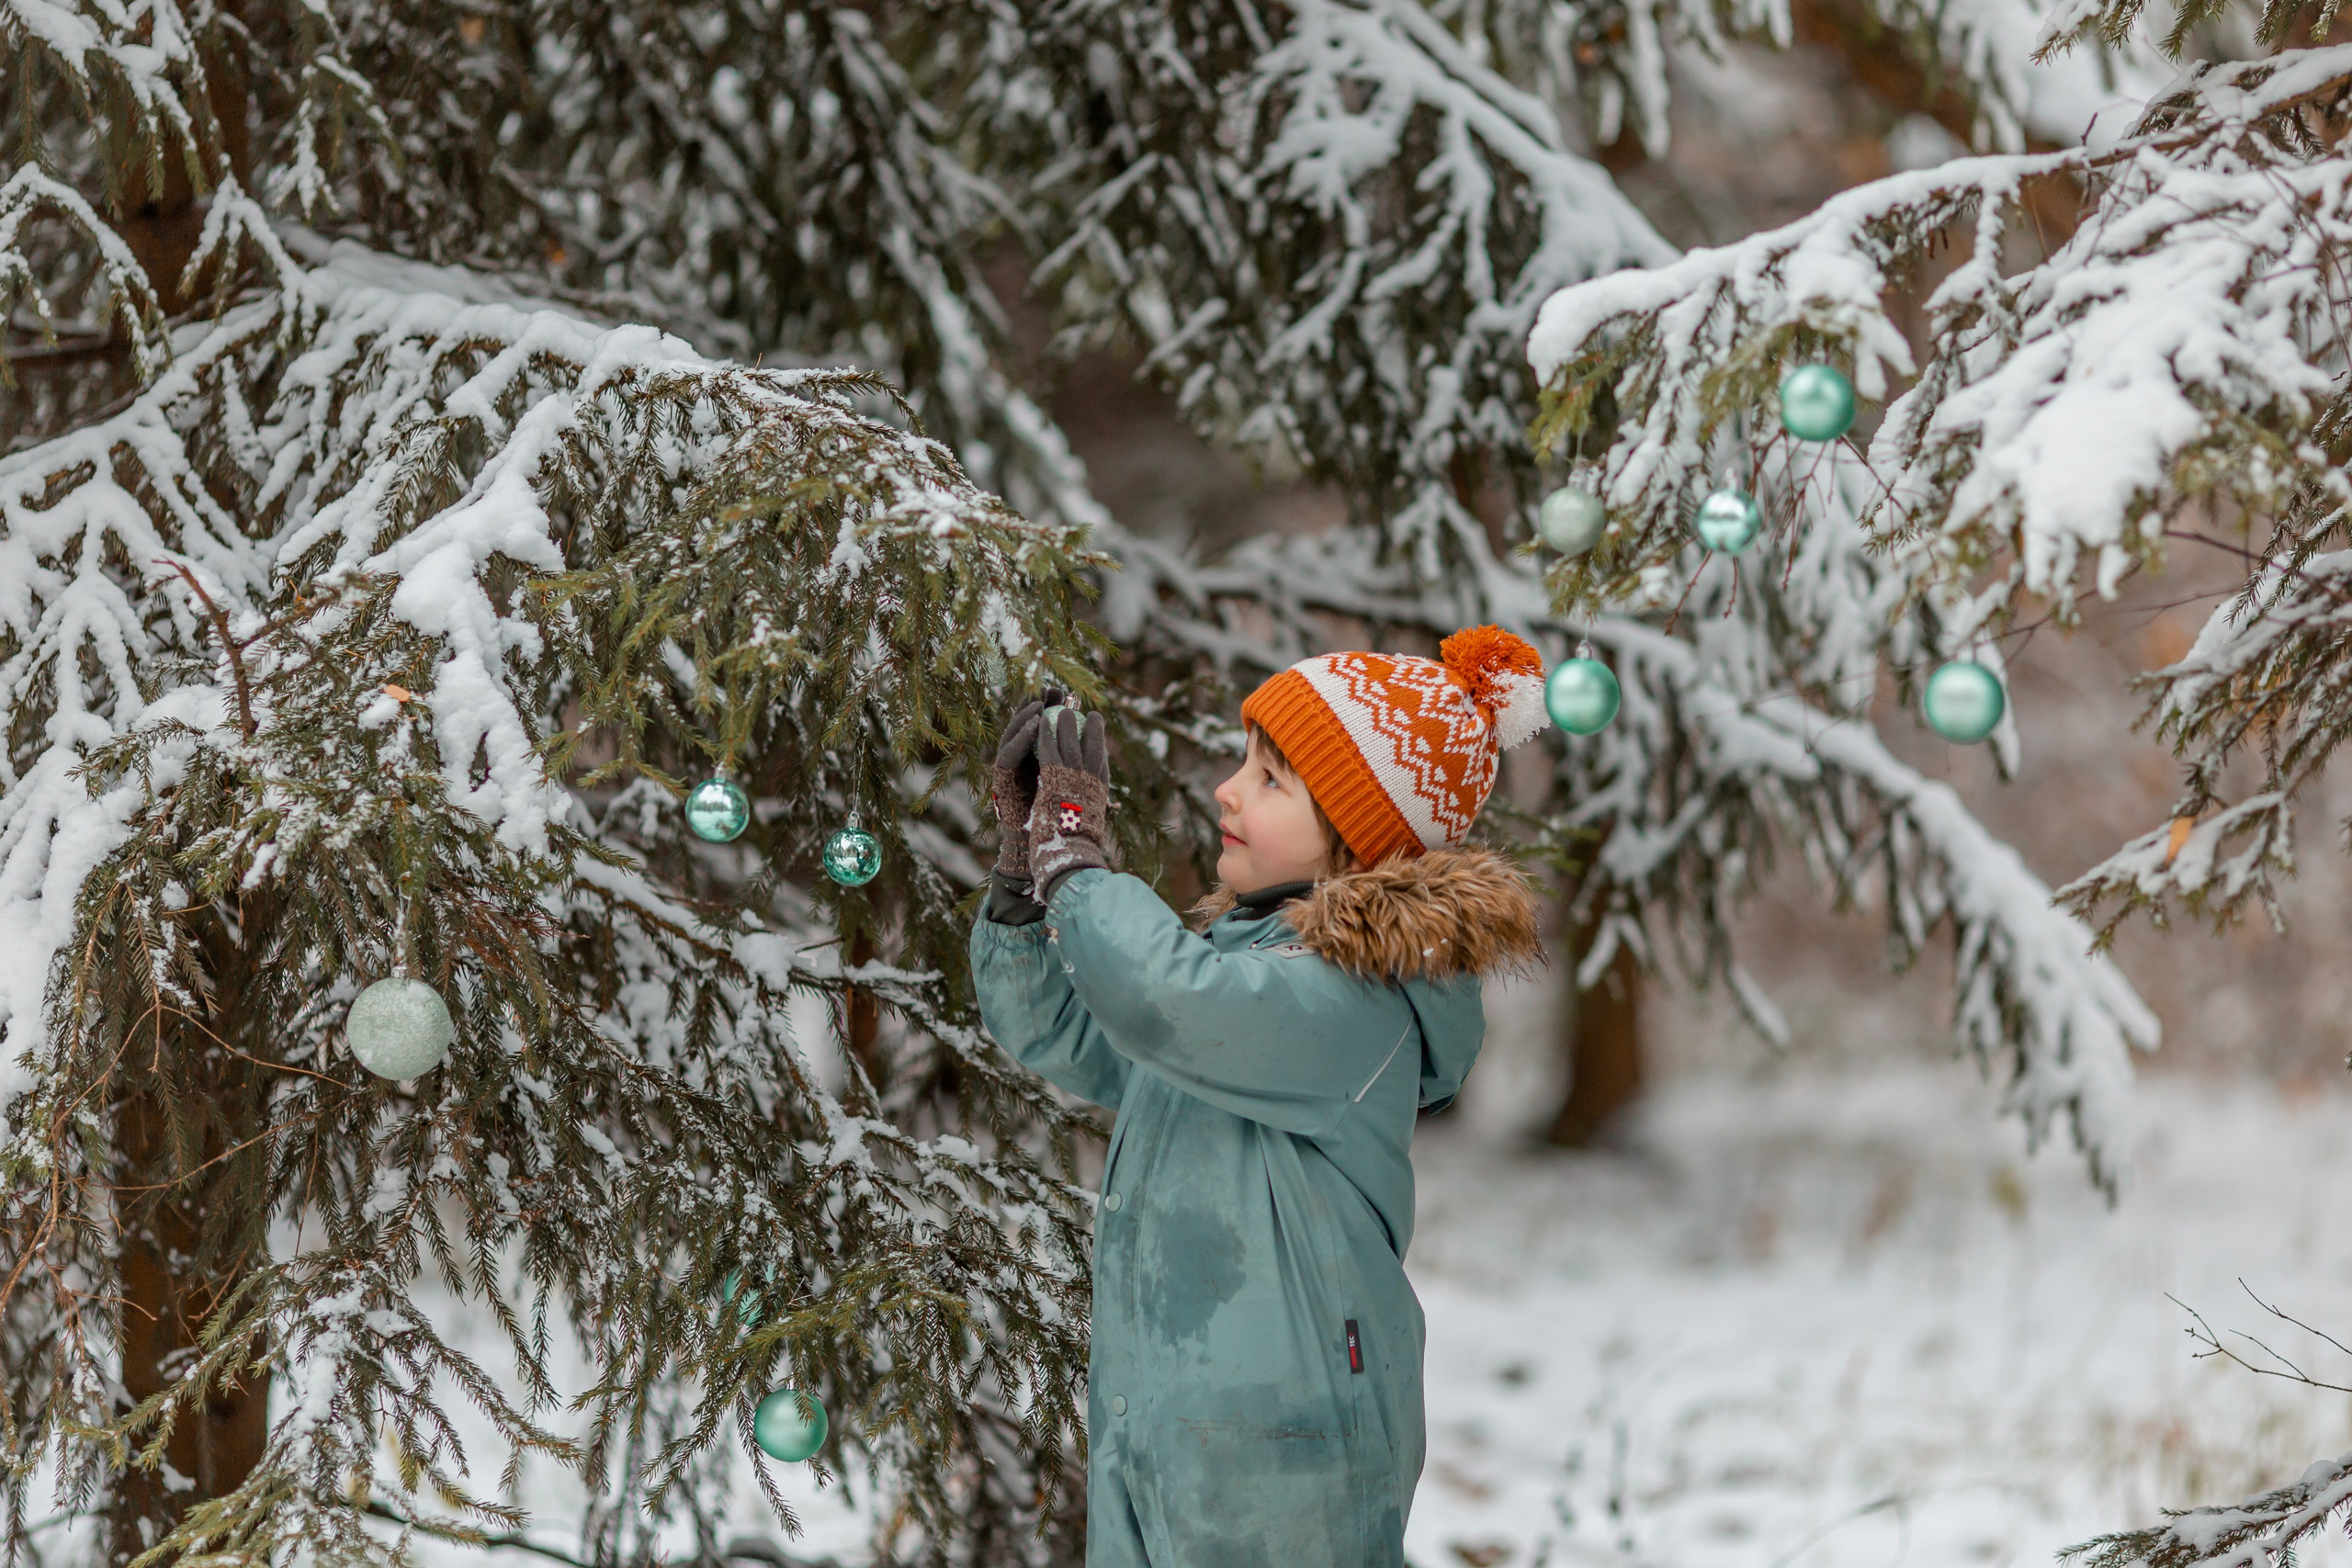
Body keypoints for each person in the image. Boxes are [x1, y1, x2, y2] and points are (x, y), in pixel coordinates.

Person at [970, 627, 1550, 1567]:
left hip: (1287, 1459)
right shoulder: (1240, 971)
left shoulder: (1358, 996)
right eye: (1244, 763)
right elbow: (1071, 1032)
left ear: (1360, 836)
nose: (1225, 790)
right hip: (1168, 1437)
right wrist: (1020, 880)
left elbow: (1169, 1005)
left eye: (1271, 779)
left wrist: (1075, 857)